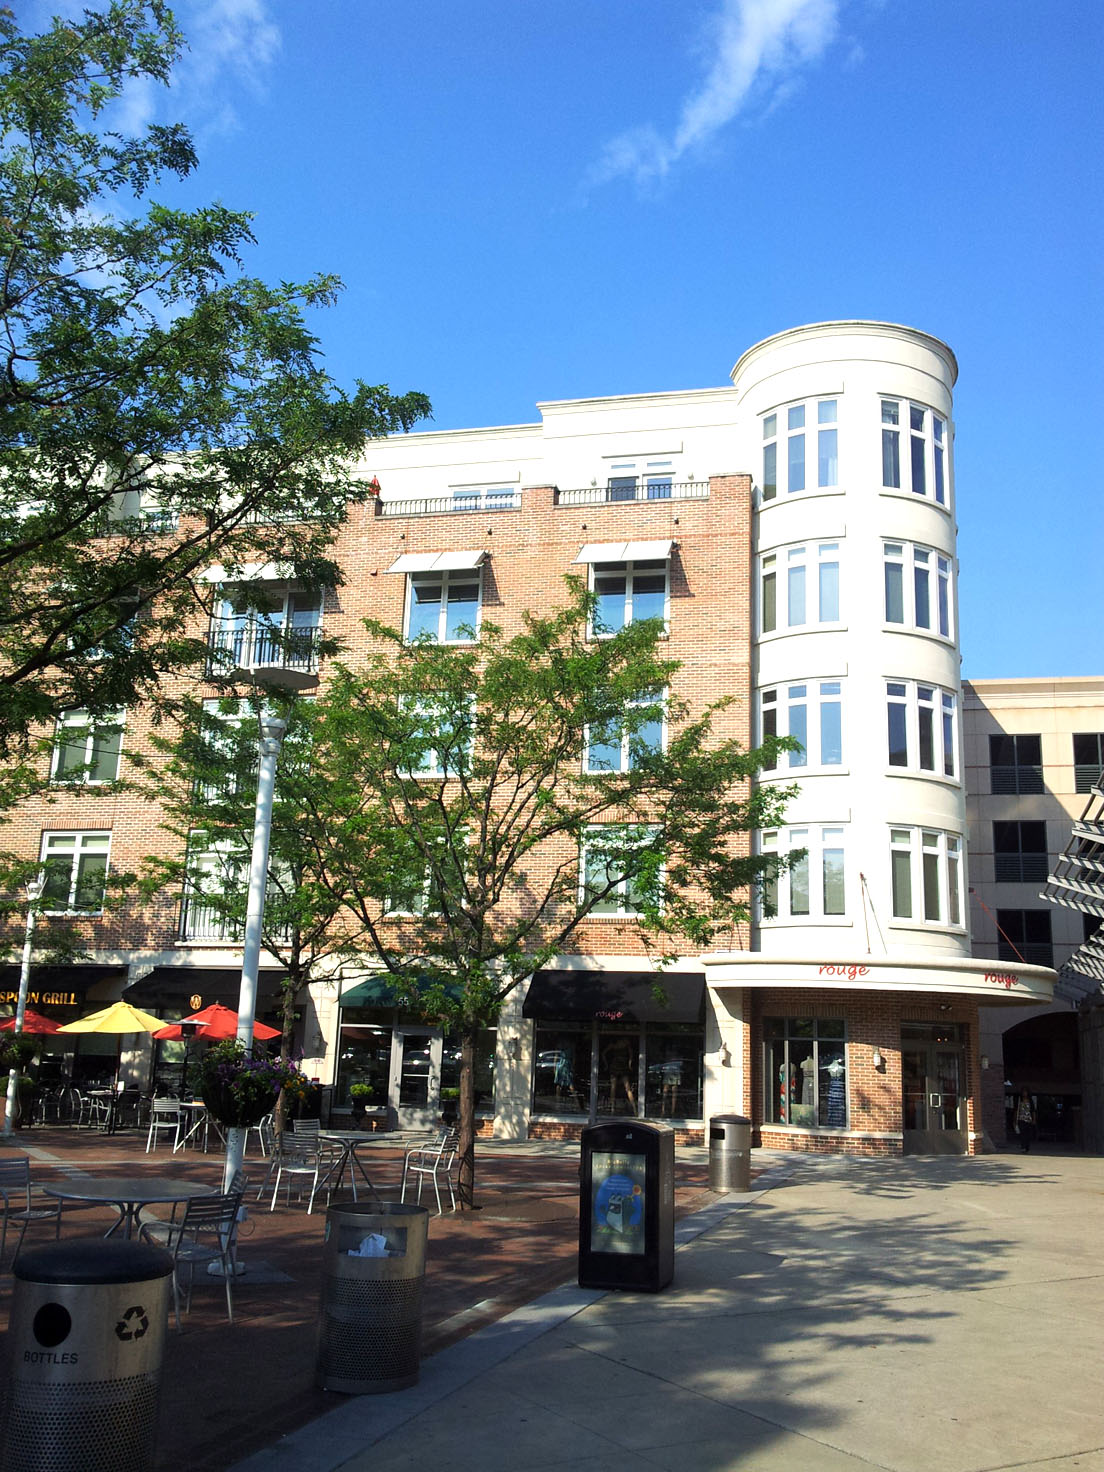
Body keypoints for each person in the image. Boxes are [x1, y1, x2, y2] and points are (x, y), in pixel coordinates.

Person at [1014, 1087, 1037, 1153]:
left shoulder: (1030, 1101)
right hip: (1021, 1119)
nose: (1024, 1093)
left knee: (1028, 1134)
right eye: (1023, 1092)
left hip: (1028, 1119)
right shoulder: (1019, 1101)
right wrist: (1015, 1120)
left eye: (1026, 1092)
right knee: (1022, 1134)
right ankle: (1023, 1147)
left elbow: (1033, 1111)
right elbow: (1016, 1110)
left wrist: (1034, 1120)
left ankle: (1027, 1147)